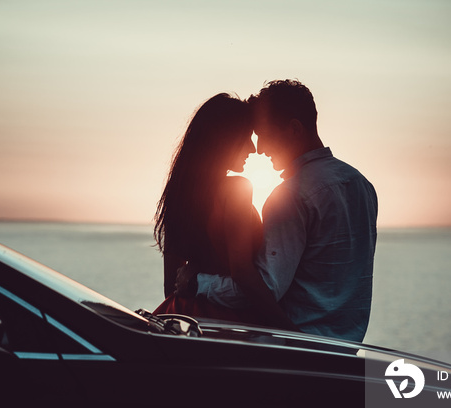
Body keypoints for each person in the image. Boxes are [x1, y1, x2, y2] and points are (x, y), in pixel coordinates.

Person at [179, 80, 378, 342]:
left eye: (263, 135)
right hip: (345, 346)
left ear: (294, 129)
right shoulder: (362, 185)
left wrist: (197, 283)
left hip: (292, 349)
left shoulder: (291, 195)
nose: (259, 149)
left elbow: (264, 288)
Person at [153, 93, 294, 330]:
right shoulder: (237, 189)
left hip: (183, 316)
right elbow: (242, 273)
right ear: (225, 139)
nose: (253, 149)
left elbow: (171, 287)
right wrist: (286, 327)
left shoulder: (180, 192)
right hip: (225, 321)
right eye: (246, 137)